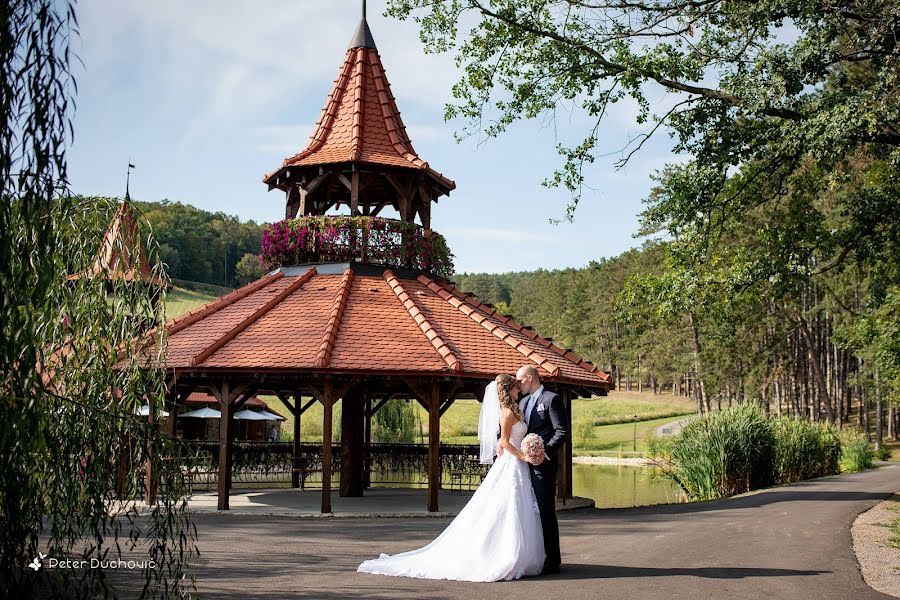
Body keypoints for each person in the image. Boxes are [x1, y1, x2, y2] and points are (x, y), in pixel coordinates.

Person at [357, 374, 545, 581]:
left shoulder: (515, 409)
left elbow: (504, 442)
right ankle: (505, 554)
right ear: (508, 390)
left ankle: (521, 555)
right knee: (508, 507)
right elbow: (505, 441)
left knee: (520, 507)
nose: (519, 390)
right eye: (516, 387)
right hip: (512, 463)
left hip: (517, 466)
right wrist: (523, 455)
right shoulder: (507, 412)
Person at [498, 365, 567, 574]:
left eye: (520, 380)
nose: (518, 384)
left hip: (542, 466)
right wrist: (499, 442)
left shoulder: (551, 399)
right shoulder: (524, 402)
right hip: (521, 466)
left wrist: (544, 454)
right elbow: (507, 427)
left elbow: (561, 431)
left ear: (530, 378)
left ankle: (552, 560)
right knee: (526, 513)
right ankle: (531, 556)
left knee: (546, 512)